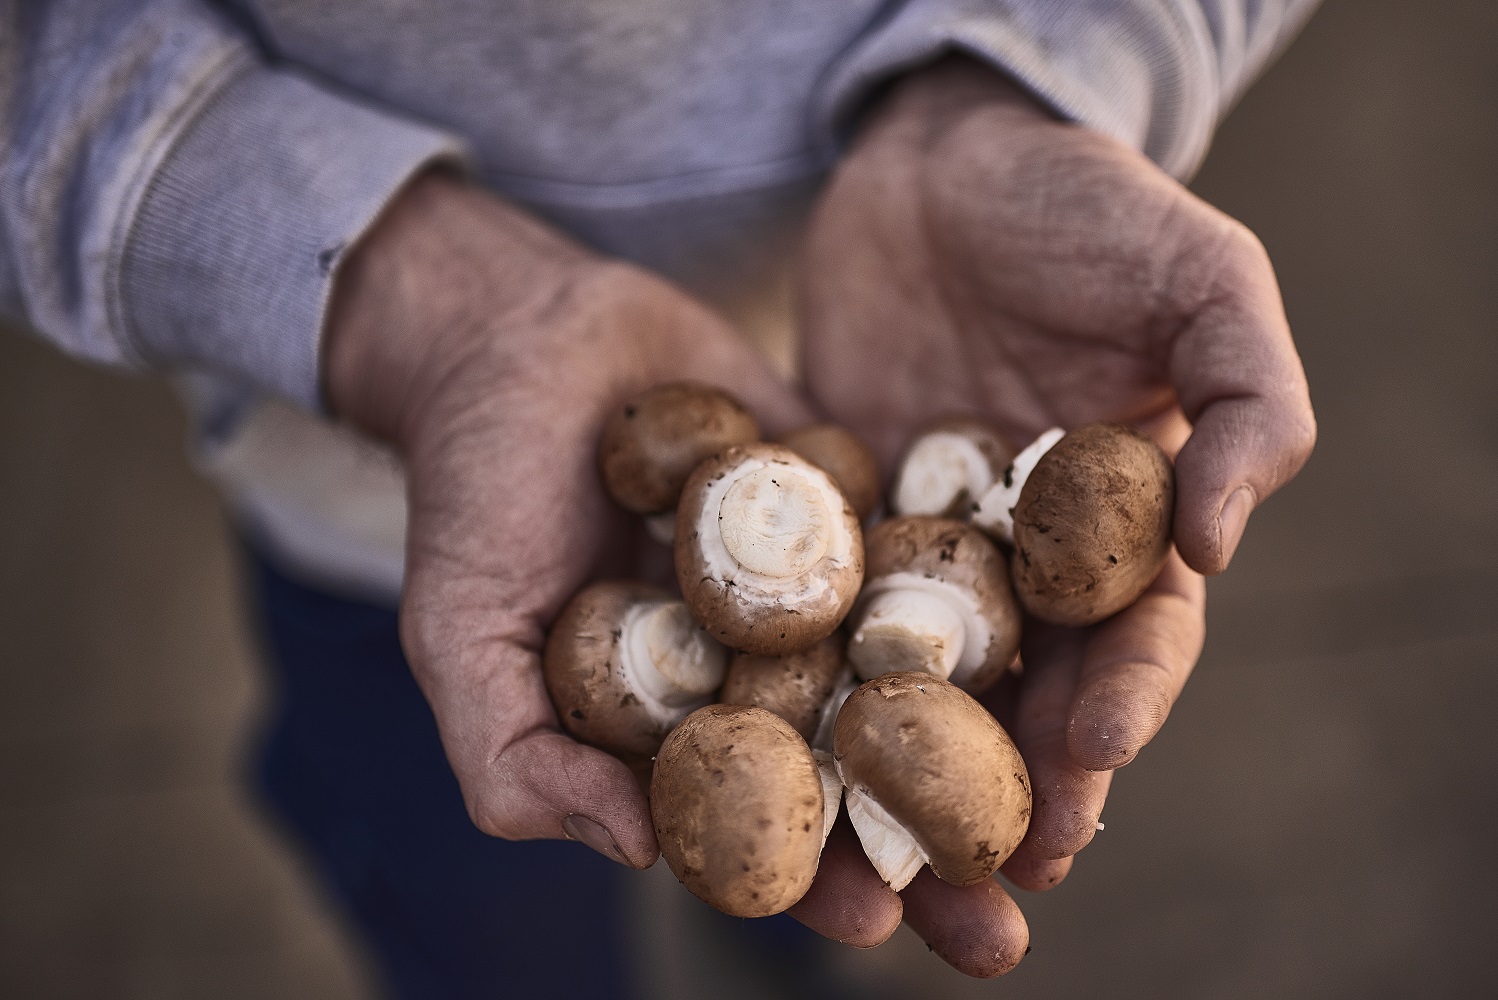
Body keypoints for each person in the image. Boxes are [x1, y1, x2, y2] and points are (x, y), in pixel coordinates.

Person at [1, 0, 1319, 994]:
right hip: (364, 510)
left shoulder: (893, 573)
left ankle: (790, 924)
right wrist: (392, 295)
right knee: (482, 921)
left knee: (810, 895)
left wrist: (1046, 70)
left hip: (893, 291)